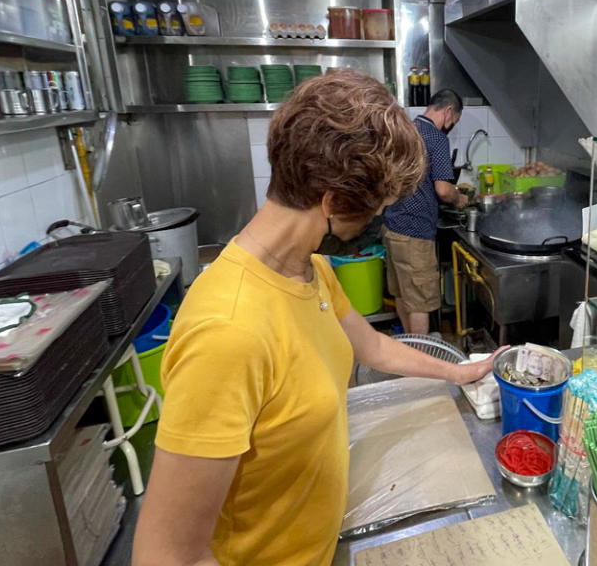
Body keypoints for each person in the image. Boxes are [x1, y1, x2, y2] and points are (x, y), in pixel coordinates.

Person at [133, 72, 503, 566]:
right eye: (374, 208)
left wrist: (460, 371)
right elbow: (166, 557)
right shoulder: (228, 331)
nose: (375, 219)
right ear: (331, 200)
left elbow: (372, 348)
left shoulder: (313, 270)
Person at [383, 89, 468, 335]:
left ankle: (411, 347)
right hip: (416, 234)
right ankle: (421, 359)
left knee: (402, 294)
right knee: (420, 302)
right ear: (449, 111)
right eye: (455, 121)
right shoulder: (436, 138)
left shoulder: (405, 130)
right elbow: (443, 190)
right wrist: (459, 198)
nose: (451, 126)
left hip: (392, 227)